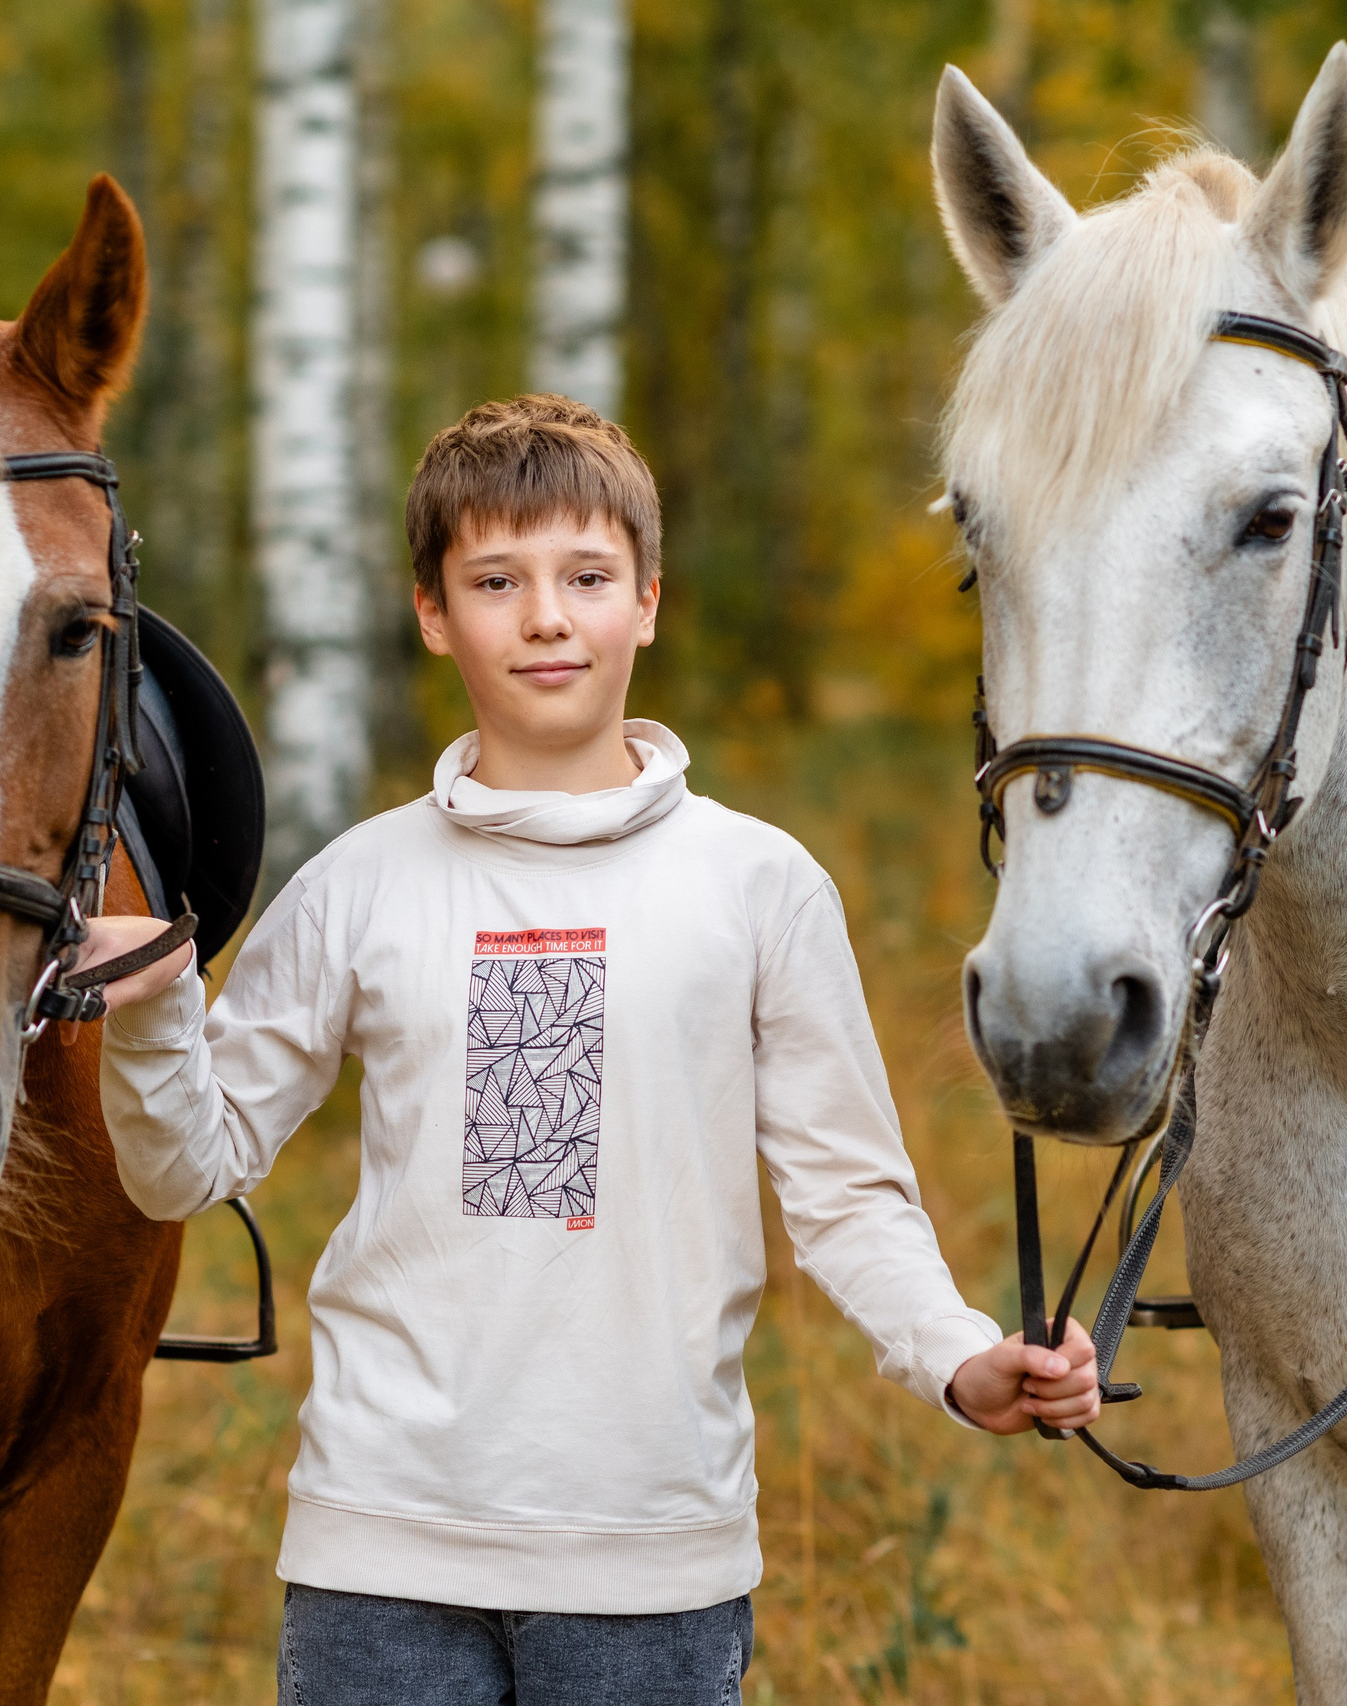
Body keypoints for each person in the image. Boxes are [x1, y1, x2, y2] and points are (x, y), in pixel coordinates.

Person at [85, 394, 1098, 1704]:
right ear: (435, 613)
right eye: (496, 580)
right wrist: (158, 1013)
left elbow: (847, 1196)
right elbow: (184, 1169)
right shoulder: (356, 884)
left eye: (586, 576)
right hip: (380, 1557)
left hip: (653, 1565)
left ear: (648, 601)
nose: (547, 616)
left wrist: (958, 1351)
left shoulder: (758, 884)